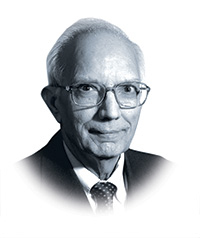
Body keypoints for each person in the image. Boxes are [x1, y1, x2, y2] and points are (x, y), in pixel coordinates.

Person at [19, 18, 170, 214]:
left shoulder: (169, 177)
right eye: (87, 88)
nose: (111, 112)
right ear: (54, 103)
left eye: (127, 88)